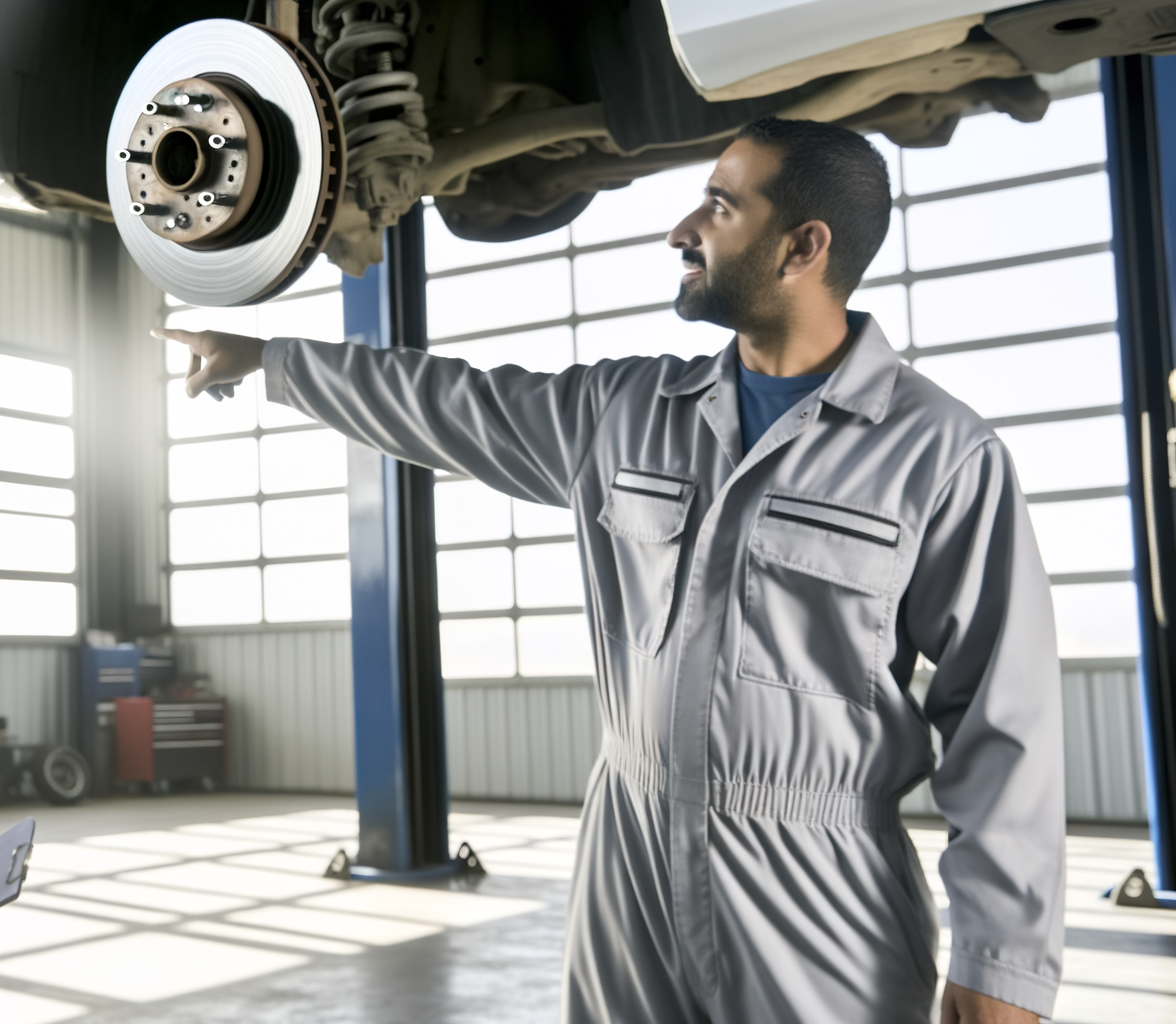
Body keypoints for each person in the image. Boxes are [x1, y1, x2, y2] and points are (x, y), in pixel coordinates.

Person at [160, 116, 1062, 1024]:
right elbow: (448, 405)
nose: (682, 230)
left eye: (719, 205)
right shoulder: (628, 412)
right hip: (627, 861)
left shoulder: (939, 456)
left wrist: (1001, 967)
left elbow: (1005, 725)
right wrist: (274, 362)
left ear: (803, 247)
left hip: (817, 893)